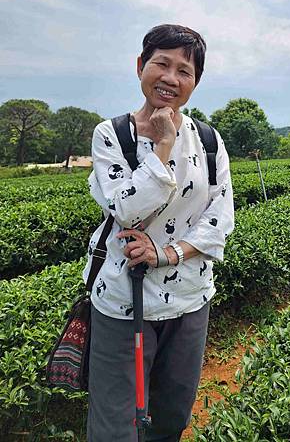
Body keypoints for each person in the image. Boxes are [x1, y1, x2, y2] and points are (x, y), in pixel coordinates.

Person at [83, 24, 235, 442]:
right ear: (140, 66)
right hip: (123, 303)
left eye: (184, 70)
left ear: (195, 82)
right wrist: (163, 148)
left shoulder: (207, 139)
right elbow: (126, 209)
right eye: (161, 64)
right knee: (117, 426)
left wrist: (166, 254)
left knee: (170, 417)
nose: (171, 78)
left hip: (190, 299)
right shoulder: (111, 134)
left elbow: (220, 217)